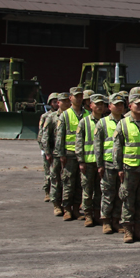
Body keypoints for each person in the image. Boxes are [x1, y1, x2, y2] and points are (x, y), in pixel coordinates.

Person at [113, 94, 140, 243]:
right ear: (130, 105)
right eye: (137, 104)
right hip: (129, 169)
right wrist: (119, 168)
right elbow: (117, 148)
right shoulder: (123, 123)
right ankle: (128, 231)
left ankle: (139, 230)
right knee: (128, 200)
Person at [55, 87, 87, 220]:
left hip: (84, 154)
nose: (79, 98)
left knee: (80, 183)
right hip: (69, 154)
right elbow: (60, 136)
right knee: (68, 181)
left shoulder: (87, 115)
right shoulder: (65, 115)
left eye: (80, 96)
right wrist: (61, 154)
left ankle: (76, 208)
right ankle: (66, 208)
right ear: (70, 98)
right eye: (76, 96)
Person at [96, 93, 126, 233]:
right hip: (108, 164)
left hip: (124, 164)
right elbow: (98, 146)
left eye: (121, 105)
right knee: (108, 194)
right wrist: (99, 164)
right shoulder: (102, 123)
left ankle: (116, 220)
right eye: (116, 105)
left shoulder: (127, 122)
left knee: (121, 194)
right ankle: (106, 221)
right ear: (109, 106)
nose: (119, 107)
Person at [75, 94, 106, 226]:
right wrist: (81, 160)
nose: (99, 107)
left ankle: (98, 213)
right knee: (87, 190)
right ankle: (88, 215)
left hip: (102, 162)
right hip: (88, 161)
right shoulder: (84, 122)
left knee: (100, 190)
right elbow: (79, 142)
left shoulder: (106, 122)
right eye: (96, 104)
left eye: (101, 104)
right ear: (90, 105)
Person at [41, 92, 68, 216]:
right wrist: (47, 152)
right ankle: (56, 204)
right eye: (63, 101)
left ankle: (67, 204)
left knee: (67, 180)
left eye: (68, 101)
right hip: (55, 153)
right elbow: (45, 136)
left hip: (68, 153)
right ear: (58, 103)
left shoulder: (71, 116)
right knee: (55, 179)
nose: (66, 103)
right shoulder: (51, 117)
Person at [38, 92, 59, 203]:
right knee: (48, 172)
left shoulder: (63, 115)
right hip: (48, 148)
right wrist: (44, 149)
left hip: (58, 149)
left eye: (57, 102)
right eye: (54, 102)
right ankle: (47, 191)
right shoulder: (46, 116)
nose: (56, 104)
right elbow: (42, 133)